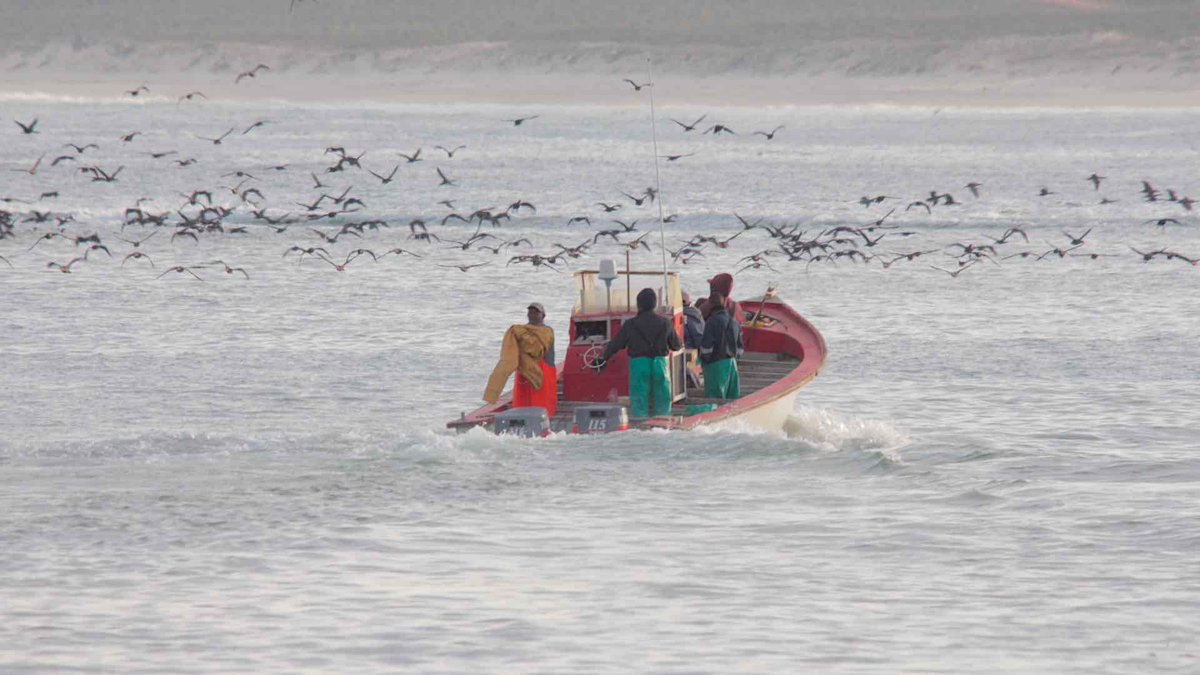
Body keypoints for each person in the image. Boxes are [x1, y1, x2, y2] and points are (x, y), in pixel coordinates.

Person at [599, 288, 682, 418]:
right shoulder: (665, 323)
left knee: (639, 401)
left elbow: (615, 345)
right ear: (655, 304)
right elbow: (677, 346)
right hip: (660, 365)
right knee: (663, 401)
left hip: (639, 365)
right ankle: (663, 424)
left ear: (639, 305)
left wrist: (603, 358)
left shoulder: (630, 325)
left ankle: (640, 426)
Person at [483, 302, 557, 416]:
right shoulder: (520, 331)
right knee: (523, 404)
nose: (532, 314)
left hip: (544, 374)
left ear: (543, 315)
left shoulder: (546, 331)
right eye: (530, 312)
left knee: (543, 406)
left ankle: (546, 420)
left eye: (536, 312)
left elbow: (536, 349)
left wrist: (521, 335)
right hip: (524, 373)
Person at [700, 292, 743, 399]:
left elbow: (706, 348)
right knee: (732, 398)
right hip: (732, 365)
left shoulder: (711, 321)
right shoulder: (734, 322)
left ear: (710, 305)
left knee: (715, 400)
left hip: (716, 366)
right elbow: (740, 349)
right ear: (723, 304)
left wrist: (704, 362)